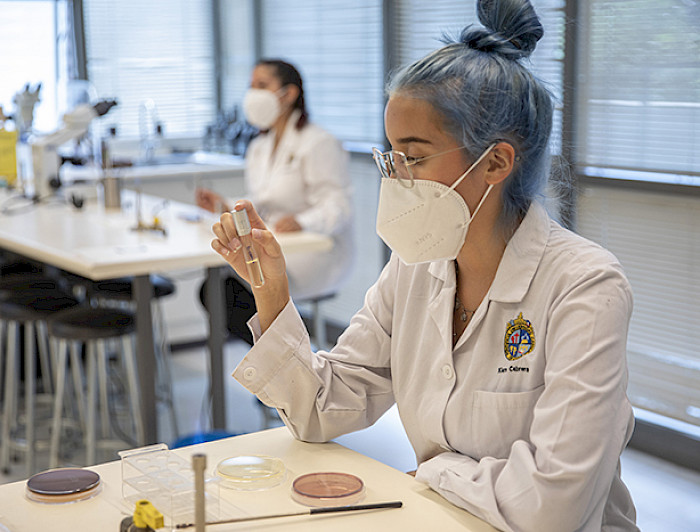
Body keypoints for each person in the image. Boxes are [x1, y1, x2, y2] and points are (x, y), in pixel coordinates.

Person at [209, 1, 639, 530]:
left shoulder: (584, 286)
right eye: (391, 156)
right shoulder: (419, 265)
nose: (397, 179)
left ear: (496, 162)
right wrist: (272, 294)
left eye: (413, 157)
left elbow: (554, 504)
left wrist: (438, 471)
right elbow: (325, 407)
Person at [197, 59, 353, 343]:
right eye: (251, 86)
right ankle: (280, 369)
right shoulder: (259, 147)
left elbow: (338, 207)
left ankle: (285, 366)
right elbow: (264, 202)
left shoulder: (318, 142)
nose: (253, 93)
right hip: (275, 246)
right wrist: (225, 205)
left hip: (315, 253)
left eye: (262, 85)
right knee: (215, 291)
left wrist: (302, 221)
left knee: (225, 294)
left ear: (289, 94)